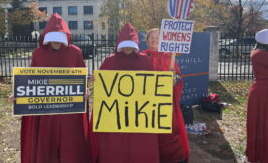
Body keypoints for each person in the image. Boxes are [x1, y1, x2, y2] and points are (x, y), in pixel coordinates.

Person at [10, 13, 92, 163]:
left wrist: (85, 91)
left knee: (70, 146)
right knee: (47, 145)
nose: (55, 42)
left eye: (59, 38)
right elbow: (31, 81)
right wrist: (19, 95)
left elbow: (81, 78)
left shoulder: (75, 53)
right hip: (46, 111)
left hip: (69, 112)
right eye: (52, 38)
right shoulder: (39, 53)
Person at [90, 23, 160, 163]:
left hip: (139, 113)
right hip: (115, 115)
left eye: (130, 44)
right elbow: (100, 86)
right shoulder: (110, 61)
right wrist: (95, 80)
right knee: (115, 144)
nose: (128, 47)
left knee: (139, 143)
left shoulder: (145, 61)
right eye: (125, 44)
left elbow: (152, 85)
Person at [143, 28, 189, 163]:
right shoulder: (141, 56)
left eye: (158, 37)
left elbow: (178, 78)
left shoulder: (168, 56)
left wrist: (175, 78)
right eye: (151, 36)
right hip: (146, 103)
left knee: (168, 131)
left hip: (165, 103)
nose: (155, 39)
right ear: (147, 41)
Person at [246, 29, 268, 163]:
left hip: (261, 91)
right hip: (262, 91)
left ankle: (261, 152)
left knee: (262, 122)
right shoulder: (260, 54)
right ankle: (261, 153)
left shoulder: (258, 53)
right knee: (262, 123)